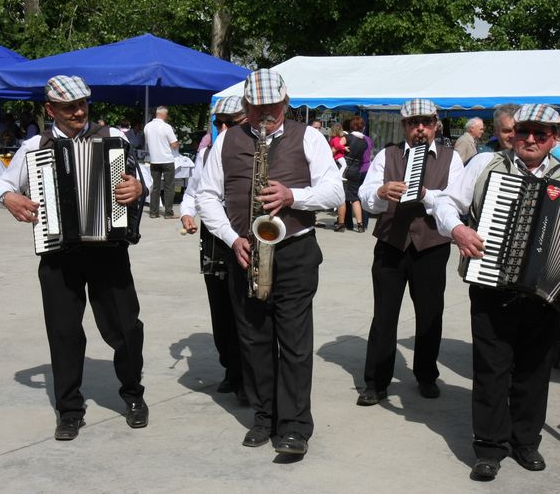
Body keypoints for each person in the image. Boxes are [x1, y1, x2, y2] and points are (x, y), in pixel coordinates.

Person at [431, 103, 560, 480]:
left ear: (554, 139)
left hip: (543, 294)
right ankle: (489, 447)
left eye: (540, 134)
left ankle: (526, 442)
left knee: (534, 368)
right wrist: (458, 230)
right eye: (523, 131)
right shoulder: (484, 165)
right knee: (490, 368)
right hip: (490, 284)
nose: (529, 139)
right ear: (511, 132)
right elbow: (446, 201)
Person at [195, 69, 343, 457]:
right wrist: (231, 238)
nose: (265, 115)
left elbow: (334, 191)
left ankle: (294, 427)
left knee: (294, 342)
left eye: (273, 107)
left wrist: (293, 196)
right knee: (254, 340)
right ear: (245, 106)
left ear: (286, 102)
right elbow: (206, 197)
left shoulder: (309, 137)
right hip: (245, 250)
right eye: (257, 108)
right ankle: (265, 417)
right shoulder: (226, 140)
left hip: (294, 251)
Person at [0, 75, 148, 441]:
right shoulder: (35, 146)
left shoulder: (114, 139)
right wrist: (10, 199)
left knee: (126, 330)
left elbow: (143, 183)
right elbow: (2, 185)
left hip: (109, 250)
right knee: (63, 334)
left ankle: (133, 396)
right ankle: (69, 410)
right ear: (51, 110)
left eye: (82, 104)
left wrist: (137, 188)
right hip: (60, 253)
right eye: (69, 107)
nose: (78, 112)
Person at [356, 99, 464, 406]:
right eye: (414, 123)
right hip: (391, 242)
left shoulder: (451, 158)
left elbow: (457, 200)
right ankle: (376, 382)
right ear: (404, 125)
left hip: (431, 245)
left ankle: (426, 374)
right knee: (385, 314)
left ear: (435, 125)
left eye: (426, 122)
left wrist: (426, 194)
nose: (420, 128)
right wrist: (378, 193)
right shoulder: (387, 154)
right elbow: (365, 195)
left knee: (430, 313)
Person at [180, 96, 247, 402]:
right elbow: (193, 192)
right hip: (214, 242)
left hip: (245, 238)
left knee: (247, 311)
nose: (223, 128)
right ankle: (231, 370)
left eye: (231, 122)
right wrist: (186, 212)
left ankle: (250, 375)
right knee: (221, 311)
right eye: (219, 122)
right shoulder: (207, 151)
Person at [144, 106, 179, 218]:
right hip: (167, 160)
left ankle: (153, 212)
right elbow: (174, 144)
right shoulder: (166, 127)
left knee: (155, 187)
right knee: (169, 187)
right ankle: (168, 212)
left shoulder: (147, 127)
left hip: (154, 160)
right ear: (164, 115)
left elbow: (147, 141)